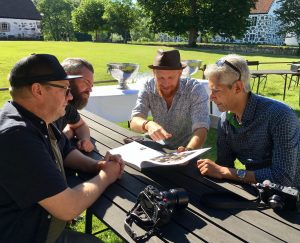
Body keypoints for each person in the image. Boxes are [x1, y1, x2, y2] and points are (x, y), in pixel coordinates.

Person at [0, 54, 124, 243]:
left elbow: (65, 151)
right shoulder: (17, 136)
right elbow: (69, 207)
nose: (71, 96)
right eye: (65, 89)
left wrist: (97, 166)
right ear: (37, 90)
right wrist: (107, 175)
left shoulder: (32, 119)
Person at [197, 54, 300, 188]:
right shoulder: (225, 120)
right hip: (254, 193)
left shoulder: (280, 115)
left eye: (216, 90)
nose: (211, 97)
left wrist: (225, 172)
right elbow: (224, 165)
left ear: (238, 87)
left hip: (291, 200)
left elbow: (282, 178)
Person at [130, 49, 210, 152]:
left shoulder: (194, 89)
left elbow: (201, 128)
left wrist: (188, 151)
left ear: (180, 73)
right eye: (161, 78)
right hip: (158, 147)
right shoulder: (148, 86)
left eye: (171, 77)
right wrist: (148, 124)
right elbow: (134, 120)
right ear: (154, 73)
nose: (166, 83)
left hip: (187, 148)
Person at [55, 58, 95, 153]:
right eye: (86, 82)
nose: (90, 90)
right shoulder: (46, 107)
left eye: (91, 85)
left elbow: (80, 125)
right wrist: (67, 134)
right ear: (67, 76)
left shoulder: (67, 106)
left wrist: (85, 139)